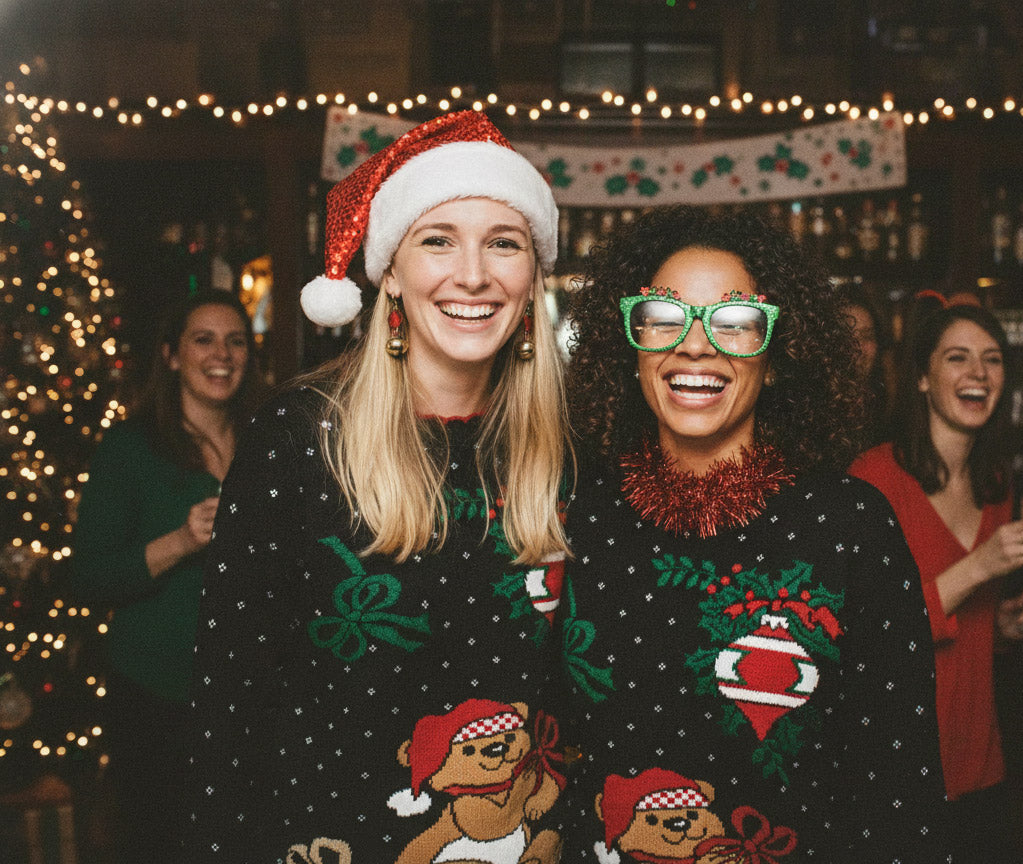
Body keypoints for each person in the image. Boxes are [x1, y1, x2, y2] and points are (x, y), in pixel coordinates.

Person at [183, 112, 573, 863]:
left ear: (533, 279)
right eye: (437, 239)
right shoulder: (297, 441)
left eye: (504, 242)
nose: (472, 274)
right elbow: (228, 702)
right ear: (388, 271)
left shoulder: (566, 450)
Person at [561, 206, 951, 862]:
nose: (695, 344)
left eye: (735, 323)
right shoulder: (577, 515)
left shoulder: (850, 526)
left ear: (776, 358)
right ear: (630, 348)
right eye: (665, 316)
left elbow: (898, 783)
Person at [848, 293, 1023, 863]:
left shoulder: (996, 483)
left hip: (979, 761)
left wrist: (1000, 629)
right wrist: (980, 565)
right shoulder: (872, 480)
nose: (977, 373)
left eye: (992, 359)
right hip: (892, 763)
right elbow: (858, 634)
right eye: (957, 358)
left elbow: (963, 626)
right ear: (921, 378)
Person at [71, 288, 261, 864]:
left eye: (235, 341)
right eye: (202, 339)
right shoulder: (130, 450)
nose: (220, 354)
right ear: (172, 355)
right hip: (157, 698)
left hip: (251, 694)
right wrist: (181, 540)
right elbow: (89, 579)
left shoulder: (265, 443)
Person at [838, 281, 895, 446]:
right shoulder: (808, 418)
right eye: (847, 336)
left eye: (867, 336)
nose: (857, 347)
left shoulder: (890, 415)